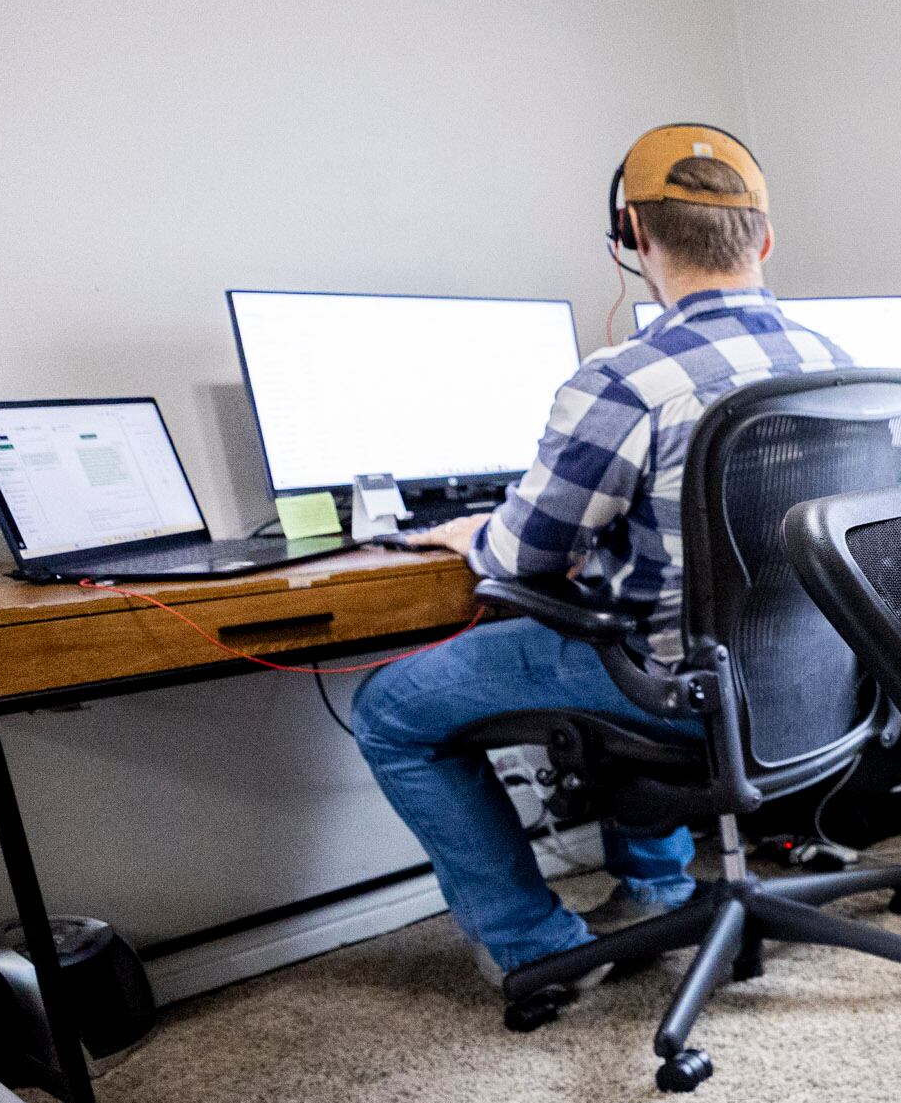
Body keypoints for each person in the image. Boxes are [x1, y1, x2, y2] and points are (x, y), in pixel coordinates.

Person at [350, 124, 853, 990]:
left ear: (634, 236)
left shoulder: (627, 381)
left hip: (683, 691)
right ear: (765, 240)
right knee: (641, 611)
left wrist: (473, 533)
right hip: (809, 687)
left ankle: (538, 945)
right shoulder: (838, 365)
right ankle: (657, 888)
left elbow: (522, 557)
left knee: (389, 708)